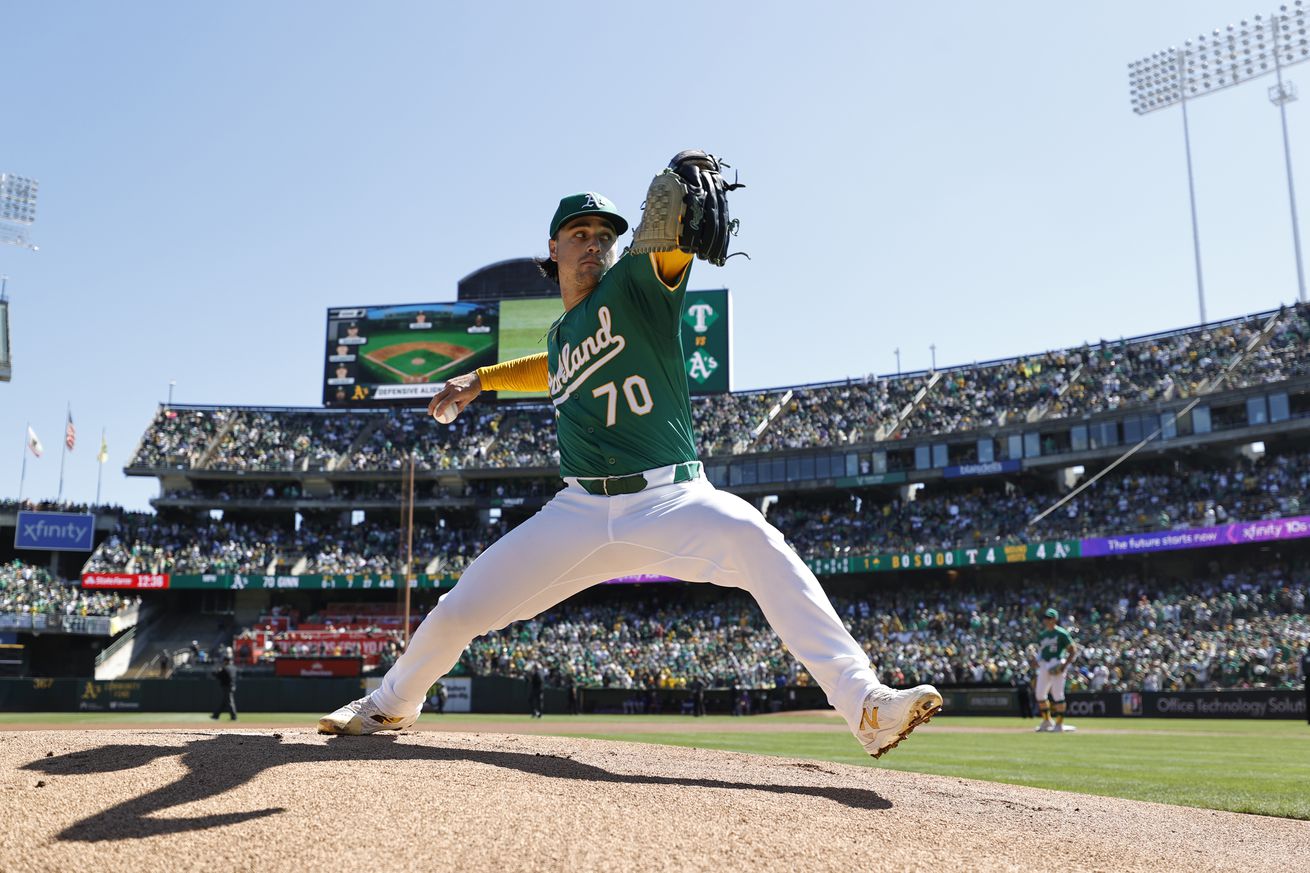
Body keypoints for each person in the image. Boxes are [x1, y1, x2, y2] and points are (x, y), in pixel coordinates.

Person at [318, 156, 942, 759]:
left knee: (759, 540)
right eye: (580, 233)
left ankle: (866, 704)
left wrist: (674, 184)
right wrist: (480, 378)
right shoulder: (563, 335)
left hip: (670, 498)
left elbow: (665, 242)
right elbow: (552, 366)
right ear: (554, 248)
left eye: (606, 235)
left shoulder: (638, 283)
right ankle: (392, 702)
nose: (596, 243)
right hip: (580, 510)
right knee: (461, 608)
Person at [1031, 608, 1077, 733]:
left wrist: (1064, 665)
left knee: (1058, 694)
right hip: (1044, 664)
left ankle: (1059, 724)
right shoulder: (1042, 635)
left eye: (1049, 618)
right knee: (1040, 694)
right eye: (1045, 618)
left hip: (1057, 663)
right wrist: (1036, 660)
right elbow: (1041, 652)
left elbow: (1073, 650)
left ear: (1055, 619)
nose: (1047, 620)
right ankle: (1047, 721)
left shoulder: (1061, 633)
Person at [210, 654, 237, 721]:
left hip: (227, 687)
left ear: (226, 661)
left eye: (224, 661)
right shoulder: (233, 667)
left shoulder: (226, 668)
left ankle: (234, 717)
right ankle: (215, 716)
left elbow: (219, 676)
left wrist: (216, 672)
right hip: (232, 686)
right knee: (225, 702)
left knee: (230, 702)